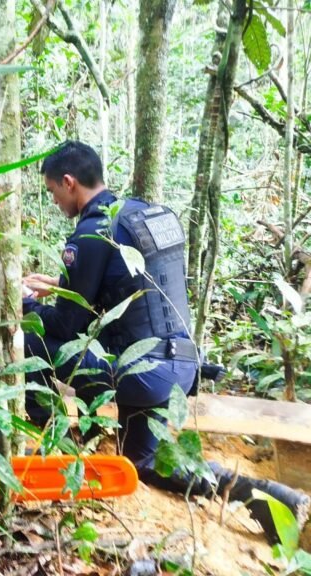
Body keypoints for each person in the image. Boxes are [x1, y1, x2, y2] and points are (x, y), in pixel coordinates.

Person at [23, 141, 308, 544]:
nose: (54, 201)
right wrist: (59, 285)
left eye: (53, 191)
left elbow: (69, 327)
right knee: (145, 461)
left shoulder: (91, 231)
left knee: (32, 336)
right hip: (179, 367)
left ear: (69, 183)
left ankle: (48, 439)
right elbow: (134, 288)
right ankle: (271, 496)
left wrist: (26, 303)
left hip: (139, 373)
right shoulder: (147, 215)